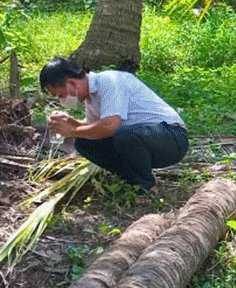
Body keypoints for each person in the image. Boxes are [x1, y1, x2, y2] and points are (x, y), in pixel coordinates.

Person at [40, 56, 188, 197]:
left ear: (71, 83)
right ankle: (133, 179)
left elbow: (110, 126)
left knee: (124, 135)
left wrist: (73, 130)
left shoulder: (109, 81)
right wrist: (73, 123)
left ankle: (147, 187)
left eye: (61, 95)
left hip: (172, 137)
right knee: (84, 142)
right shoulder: (91, 98)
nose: (62, 100)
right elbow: (95, 128)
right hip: (142, 139)